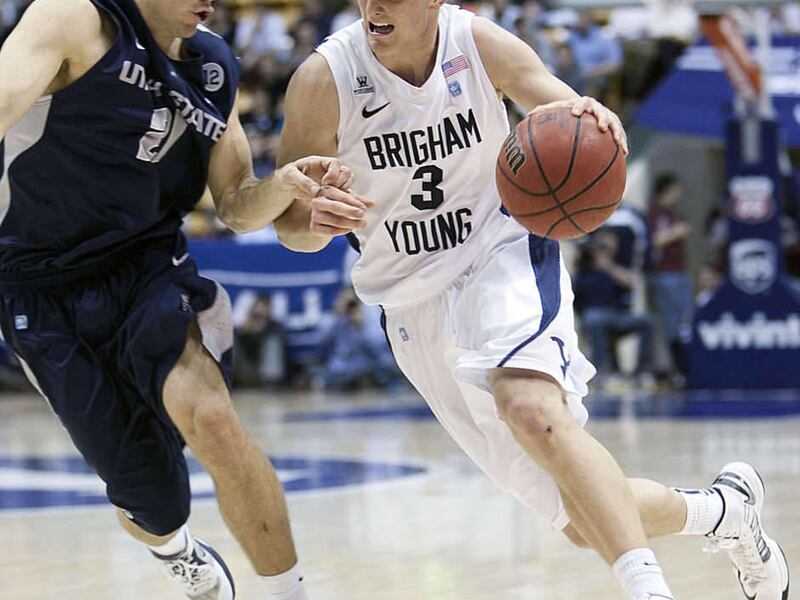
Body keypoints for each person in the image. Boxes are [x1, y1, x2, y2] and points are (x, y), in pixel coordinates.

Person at [271, 1, 790, 599]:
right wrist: (314, 221)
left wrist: (592, 117)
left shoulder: (474, 41)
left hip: (501, 255)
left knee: (530, 408)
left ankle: (650, 590)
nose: (374, 6)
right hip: (410, 302)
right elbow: (290, 225)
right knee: (579, 522)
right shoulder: (324, 78)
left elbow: (558, 105)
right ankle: (726, 512)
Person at [0, 0, 354, 597]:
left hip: (149, 269)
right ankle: (178, 551)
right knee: (152, 501)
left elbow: (237, 204)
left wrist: (281, 188)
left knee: (214, 421)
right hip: (38, 287)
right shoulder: (74, 18)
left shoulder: (213, 65)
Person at [574, 230, 653, 383]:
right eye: (603, 246)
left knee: (647, 321)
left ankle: (641, 370)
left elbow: (631, 282)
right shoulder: (585, 266)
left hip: (617, 315)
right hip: (593, 314)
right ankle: (598, 370)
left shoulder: (618, 264)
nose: (607, 250)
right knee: (597, 320)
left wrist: (609, 267)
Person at [647, 173, 693, 385]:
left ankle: (683, 368)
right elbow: (655, 240)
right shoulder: (656, 213)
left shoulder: (672, 213)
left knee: (684, 323)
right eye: (676, 189)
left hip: (678, 273)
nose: (680, 194)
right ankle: (674, 369)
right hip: (664, 275)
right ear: (668, 190)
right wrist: (677, 232)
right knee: (671, 325)